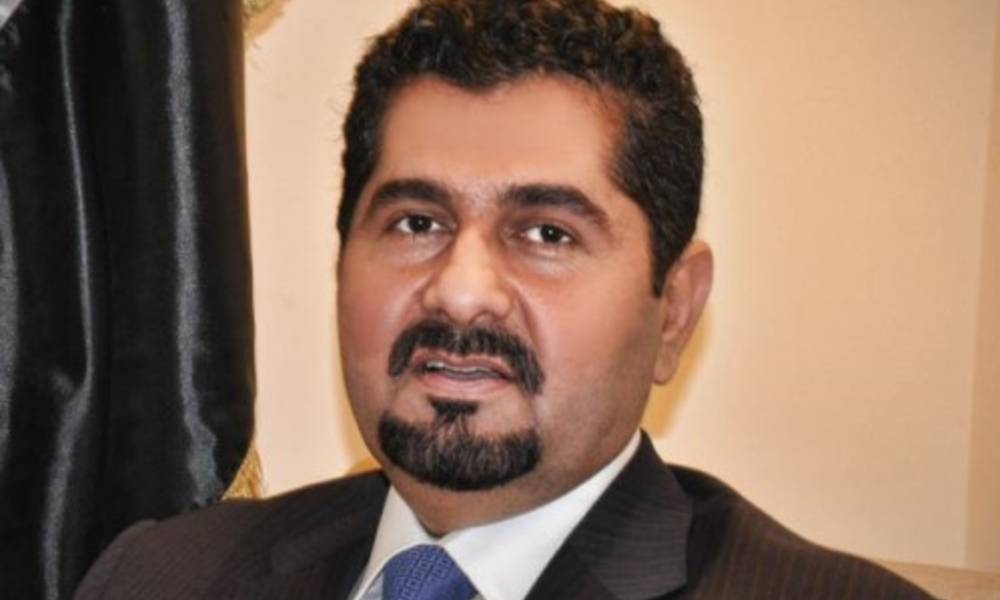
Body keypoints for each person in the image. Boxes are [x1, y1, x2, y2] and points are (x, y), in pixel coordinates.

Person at [76, 0, 934, 598]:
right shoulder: (158, 578)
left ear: (673, 309)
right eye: (416, 222)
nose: (461, 292)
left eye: (547, 234)